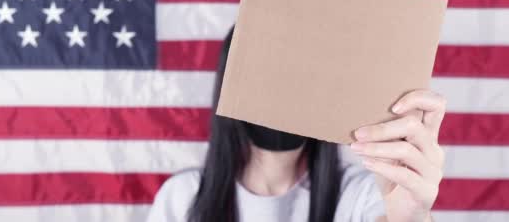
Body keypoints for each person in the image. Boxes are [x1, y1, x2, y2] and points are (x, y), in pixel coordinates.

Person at [147, 27, 446, 222]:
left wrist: (411, 216)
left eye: (296, 79)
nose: (280, 93)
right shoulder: (182, 197)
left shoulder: (362, 195)